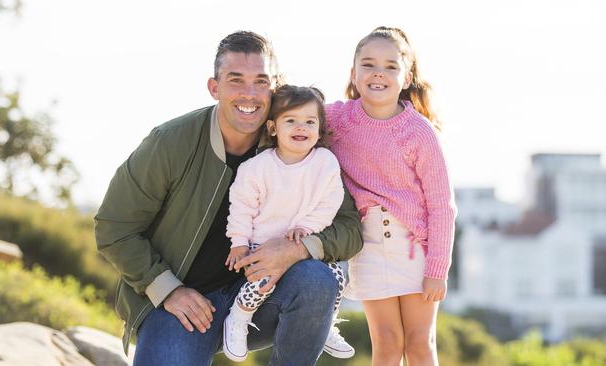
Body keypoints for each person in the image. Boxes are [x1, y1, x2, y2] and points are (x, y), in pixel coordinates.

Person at [94, 31, 363, 366]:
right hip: (183, 305)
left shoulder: (300, 146)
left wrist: (297, 248)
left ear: (274, 87)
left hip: (259, 294)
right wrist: (166, 289)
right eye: (236, 80)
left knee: (316, 279)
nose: (249, 94)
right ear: (214, 87)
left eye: (260, 81)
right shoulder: (169, 143)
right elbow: (113, 228)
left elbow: (350, 226)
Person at [325, 26, 457, 366]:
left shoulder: (419, 133)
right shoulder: (337, 119)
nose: (378, 73)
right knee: (385, 342)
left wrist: (438, 268)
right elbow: (292, 114)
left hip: (416, 249)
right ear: (354, 74)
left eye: (390, 66)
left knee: (418, 344)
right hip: (368, 246)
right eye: (368, 65)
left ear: (407, 76)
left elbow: (442, 206)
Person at [222, 84, 354, 362]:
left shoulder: (325, 162)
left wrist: (306, 228)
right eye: (291, 120)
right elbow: (242, 208)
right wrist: (239, 243)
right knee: (261, 284)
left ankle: (326, 322)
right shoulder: (256, 169)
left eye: (309, 121)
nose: (301, 127)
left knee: (338, 278)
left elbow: (329, 203)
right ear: (272, 127)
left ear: (319, 129)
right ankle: (238, 319)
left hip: (301, 242)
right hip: (262, 244)